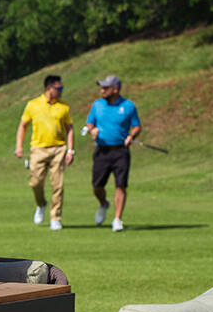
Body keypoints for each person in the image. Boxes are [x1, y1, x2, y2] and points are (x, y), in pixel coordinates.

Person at [14, 75, 74, 231]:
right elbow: (23, 126)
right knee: (35, 182)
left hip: (58, 149)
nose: (61, 91)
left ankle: (56, 217)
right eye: (59, 88)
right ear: (49, 88)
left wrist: (70, 150)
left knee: (58, 185)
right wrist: (19, 146)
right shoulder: (33, 105)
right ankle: (41, 204)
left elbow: (70, 129)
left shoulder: (64, 107)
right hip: (38, 149)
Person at [84, 74, 141, 232]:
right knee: (97, 186)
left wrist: (131, 136)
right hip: (102, 151)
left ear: (115, 89)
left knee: (120, 185)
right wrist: (92, 129)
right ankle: (103, 204)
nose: (102, 90)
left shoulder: (129, 106)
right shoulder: (97, 105)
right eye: (101, 87)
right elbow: (89, 122)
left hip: (120, 151)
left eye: (105, 87)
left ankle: (117, 219)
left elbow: (136, 126)